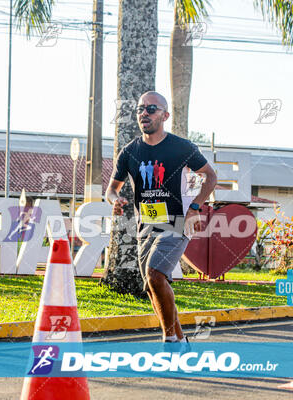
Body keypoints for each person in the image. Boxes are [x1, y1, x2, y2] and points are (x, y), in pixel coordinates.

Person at [105, 91, 217, 344]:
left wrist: (196, 207)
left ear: (165, 115)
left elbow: (211, 176)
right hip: (146, 225)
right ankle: (181, 340)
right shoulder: (129, 151)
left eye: (151, 108)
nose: (144, 113)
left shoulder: (182, 147)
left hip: (178, 220)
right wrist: (116, 201)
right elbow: (111, 189)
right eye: (140, 109)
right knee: (152, 284)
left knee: (155, 273)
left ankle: (169, 342)